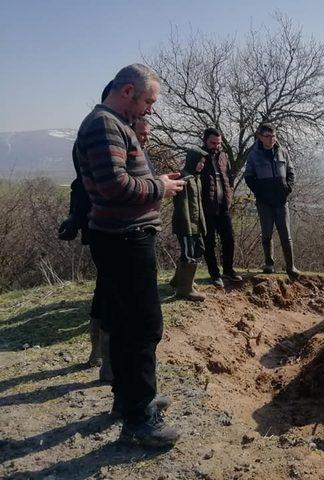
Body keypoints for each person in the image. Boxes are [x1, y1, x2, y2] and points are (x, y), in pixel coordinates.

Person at [77, 63, 184, 448]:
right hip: (124, 240)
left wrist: (156, 183)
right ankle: (140, 420)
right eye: (147, 101)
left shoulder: (113, 124)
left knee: (124, 326)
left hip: (122, 238)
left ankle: (129, 401)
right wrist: (160, 186)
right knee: (143, 326)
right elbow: (114, 187)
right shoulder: (104, 125)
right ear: (127, 92)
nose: (149, 110)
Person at [58, 81, 113, 381]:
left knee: (108, 287)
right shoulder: (99, 133)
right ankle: (101, 354)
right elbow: (82, 185)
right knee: (107, 287)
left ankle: (105, 355)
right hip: (101, 225)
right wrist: (75, 217)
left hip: (113, 226)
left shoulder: (122, 133)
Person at [244, 123, 300, 278]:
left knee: (286, 235)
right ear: (260, 137)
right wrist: (260, 192)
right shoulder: (254, 155)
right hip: (264, 203)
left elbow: (291, 172)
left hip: (281, 201)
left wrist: (288, 188)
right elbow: (248, 176)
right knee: (267, 234)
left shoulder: (283, 152)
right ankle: (269, 264)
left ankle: (291, 267)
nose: (271, 139)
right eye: (268, 136)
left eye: (274, 135)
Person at [199, 128, 242, 287]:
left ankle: (228, 270)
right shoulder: (198, 156)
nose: (216, 146)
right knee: (209, 243)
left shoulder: (223, 156)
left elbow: (228, 177)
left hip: (223, 206)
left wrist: (229, 195)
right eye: (213, 142)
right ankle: (214, 274)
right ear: (205, 141)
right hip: (206, 208)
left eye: (218, 143)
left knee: (229, 239)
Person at [170, 147, 207, 301]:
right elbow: (182, 205)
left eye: (203, 163)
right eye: (199, 162)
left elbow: (198, 205)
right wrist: (186, 229)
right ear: (192, 161)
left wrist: (202, 225)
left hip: (195, 224)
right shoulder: (183, 178)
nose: (201, 165)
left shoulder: (196, 178)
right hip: (185, 225)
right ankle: (184, 290)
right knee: (188, 254)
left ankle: (179, 281)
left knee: (199, 249)